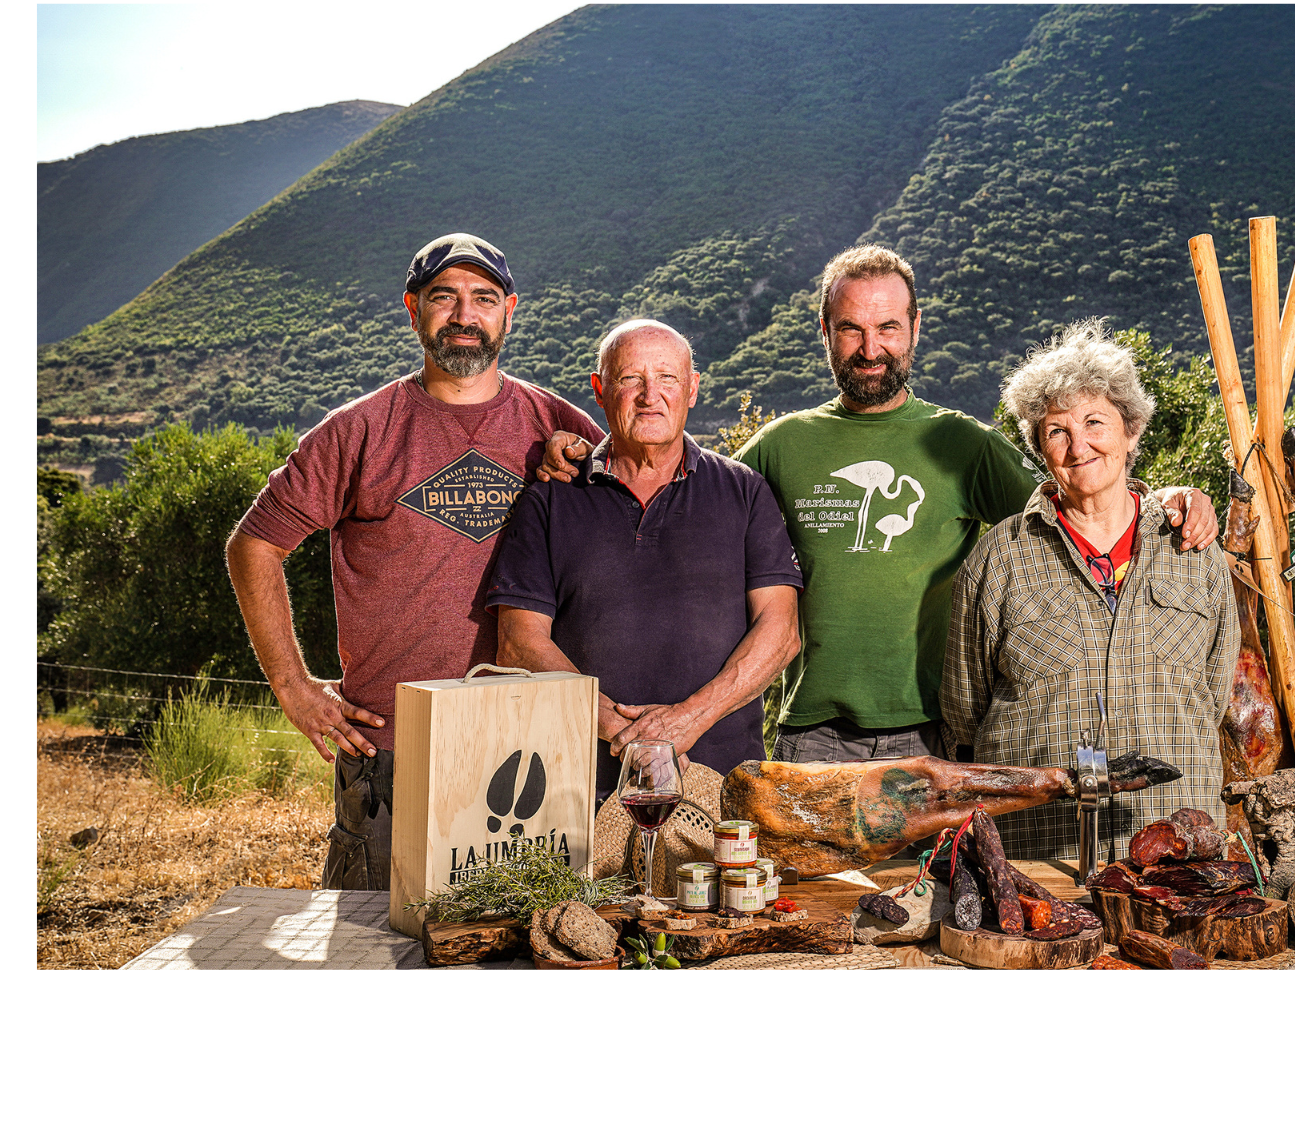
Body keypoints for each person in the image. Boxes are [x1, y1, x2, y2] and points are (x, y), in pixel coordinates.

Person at [544, 245, 1216, 767]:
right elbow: (673, 487)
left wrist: (1165, 499)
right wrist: (582, 449)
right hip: (809, 733)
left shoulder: (961, 442)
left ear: (914, 327)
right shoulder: (781, 446)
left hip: (935, 732)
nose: (871, 349)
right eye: (851, 329)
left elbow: (1075, 499)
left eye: (887, 327)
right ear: (825, 331)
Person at [226, 233, 601, 890]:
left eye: (483, 298)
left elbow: (647, 512)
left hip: (532, 742)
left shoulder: (558, 422)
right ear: (412, 309)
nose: (464, 314)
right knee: (373, 941)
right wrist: (293, 688)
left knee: (516, 942)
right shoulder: (359, 430)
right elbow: (253, 544)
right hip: (392, 753)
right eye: (443, 297)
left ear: (508, 310)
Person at [940, 319, 1238, 870]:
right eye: (1057, 431)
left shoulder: (1194, 551)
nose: (1079, 446)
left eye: (1096, 422)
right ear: (1039, 450)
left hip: (1176, 850)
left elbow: (1213, 695)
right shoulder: (999, 556)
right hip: (1031, 854)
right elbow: (963, 713)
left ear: (1131, 432)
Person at [487, 318, 803, 801]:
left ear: (692, 389)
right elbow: (518, 644)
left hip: (722, 787)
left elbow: (780, 633)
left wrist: (690, 718)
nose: (649, 394)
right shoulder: (550, 500)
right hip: (577, 791)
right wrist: (622, 732)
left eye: (668, 378)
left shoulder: (744, 491)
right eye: (630, 378)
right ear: (599, 389)